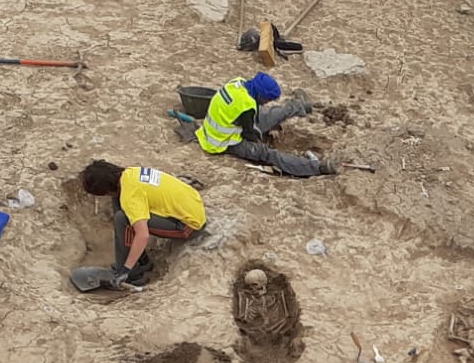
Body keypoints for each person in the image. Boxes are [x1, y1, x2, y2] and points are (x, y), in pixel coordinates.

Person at [80, 160, 206, 286]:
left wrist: (126, 269)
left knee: (122, 219)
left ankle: (131, 275)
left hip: (188, 224)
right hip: (192, 205)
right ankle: (141, 260)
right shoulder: (130, 174)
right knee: (118, 202)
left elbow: (143, 234)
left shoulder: (130, 196)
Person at [195, 72, 326, 177]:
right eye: (267, 99)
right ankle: (316, 167)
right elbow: (248, 134)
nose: (267, 102)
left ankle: (299, 106)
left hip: (222, 126)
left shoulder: (238, 83)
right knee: (266, 153)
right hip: (222, 142)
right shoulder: (246, 107)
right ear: (259, 94)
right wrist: (258, 143)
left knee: (267, 115)